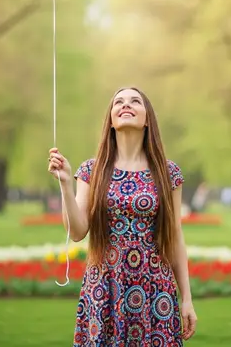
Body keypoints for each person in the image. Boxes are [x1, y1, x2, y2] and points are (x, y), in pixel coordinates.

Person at [48, 87, 197, 346]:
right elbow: (77, 231)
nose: (125, 105)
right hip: (105, 287)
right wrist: (64, 184)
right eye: (119, 102)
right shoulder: (91, 170)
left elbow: (175, 237)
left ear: (147, 118)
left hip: (154, 288)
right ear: (111, 120)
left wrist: (187, 299)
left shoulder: (168, 173)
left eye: (135, 101)